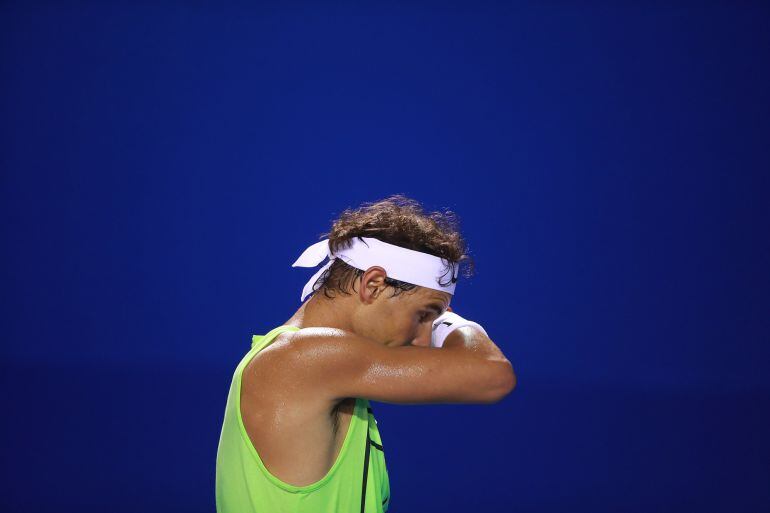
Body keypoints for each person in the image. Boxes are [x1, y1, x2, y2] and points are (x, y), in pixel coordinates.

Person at [215, 194, 516, 512]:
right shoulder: (304, 356)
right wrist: (449, 320)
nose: (423, 339)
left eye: (433, 320)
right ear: (373, 285)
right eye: (424, 314)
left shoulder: (314, 364)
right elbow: (492, 373)